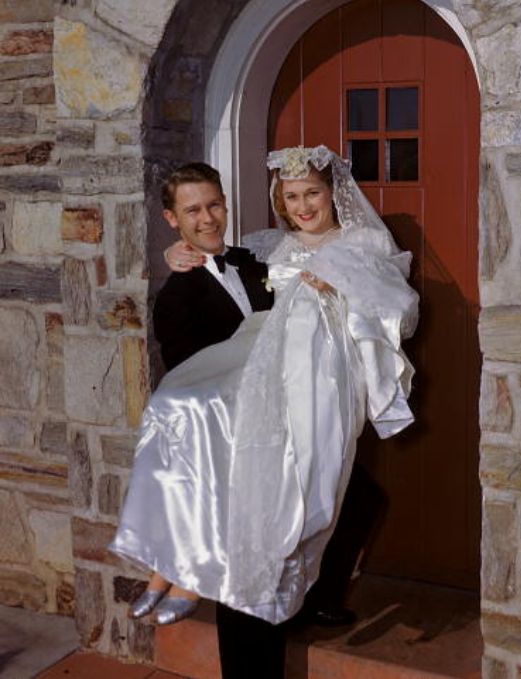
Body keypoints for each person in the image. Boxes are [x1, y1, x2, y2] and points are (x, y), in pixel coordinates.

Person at [111, 145, 418, 675]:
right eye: (192, 211)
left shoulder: (260, 256)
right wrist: (174, 256)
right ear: (172, 219)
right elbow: (194, 372)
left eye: (213, 205)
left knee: (350, 500)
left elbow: (382, 302)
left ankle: (311, 599)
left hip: (303, 396)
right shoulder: (182, 289)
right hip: (236, 416)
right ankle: (177, 572)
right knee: (248, 529)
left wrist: (341, 289)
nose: (206, 218)